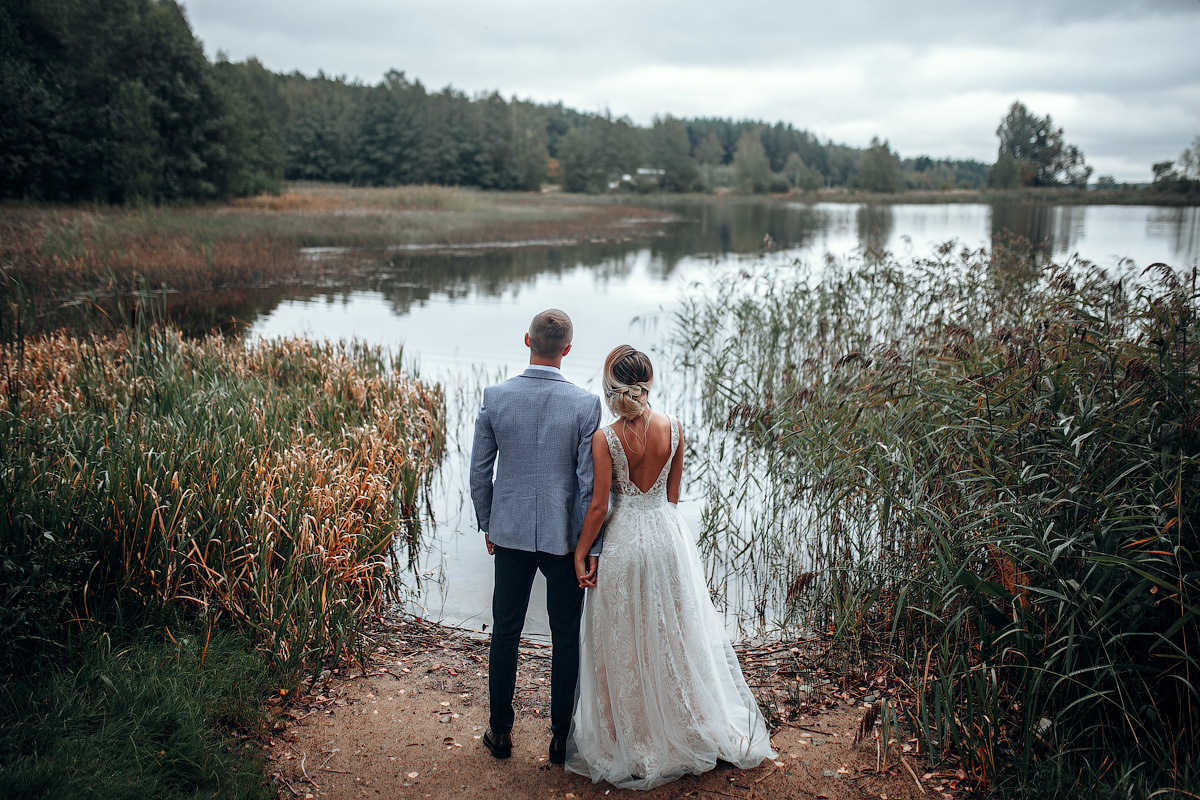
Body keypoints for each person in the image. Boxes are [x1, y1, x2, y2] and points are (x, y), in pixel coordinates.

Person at [565, 345, 776, 790]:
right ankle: (682, 725)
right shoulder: (675, 428)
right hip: (666, 539)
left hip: (622, 545)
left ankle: (632, 736)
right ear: (648, 382)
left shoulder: (604, 438)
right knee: (672, 633)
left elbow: (599, 506)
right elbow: (673, 496)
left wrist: (582, 552)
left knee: (622, 637)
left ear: (612, 384)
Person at [469, 309, 602, 765]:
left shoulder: (496, 396)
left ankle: (500, 734)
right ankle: (561, 739)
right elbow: (588, 486)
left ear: (527, 340)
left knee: (505, 632)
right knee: (566, 637)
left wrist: (488, 523)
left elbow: (479, 471)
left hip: (509, 533)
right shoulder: (585, 405)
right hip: (568, 542)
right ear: (567, 349)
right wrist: (592, 548)